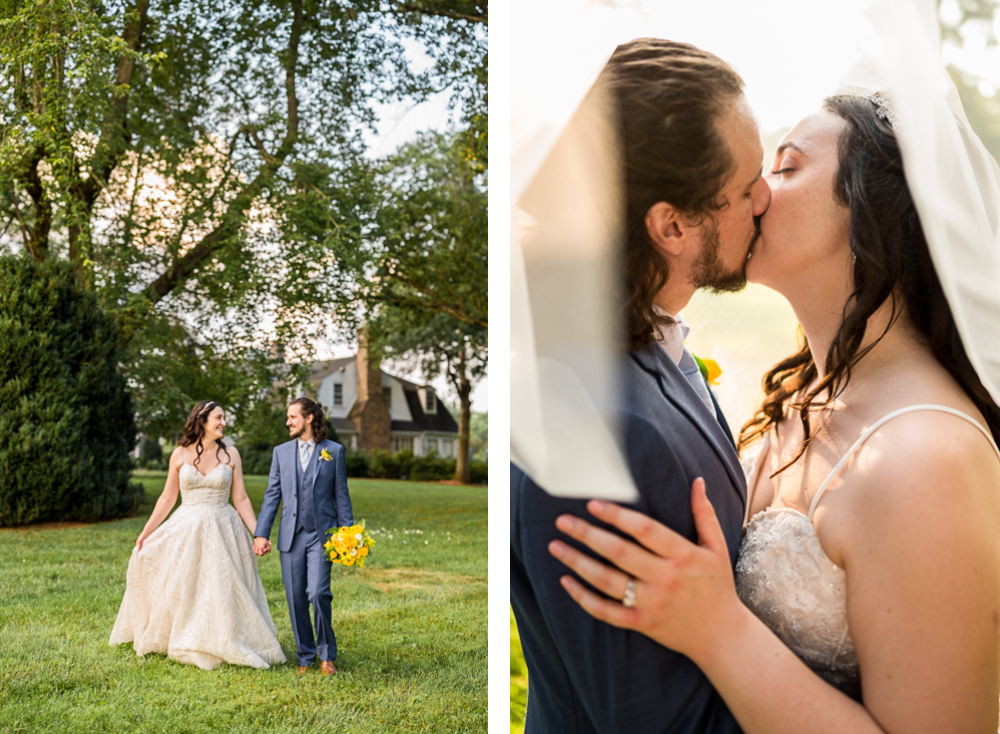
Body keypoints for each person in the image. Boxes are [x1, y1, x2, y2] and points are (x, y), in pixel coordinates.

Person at [549, 94, 1000, 732]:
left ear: (874, 211)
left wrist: (720, 631)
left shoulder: (929, 458)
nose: (753, 192)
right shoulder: (800, 398)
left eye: (785, 168)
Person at [510, 38, 771, 733]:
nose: (766, 198)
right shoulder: (592, 432)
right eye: (747, 188)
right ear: (672, 226)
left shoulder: (658, 346)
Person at [109, 401, 286, 670]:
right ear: (202, 421)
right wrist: (146, 532)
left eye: (224, 417)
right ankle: (185, 632)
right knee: (186, 583)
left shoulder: (231, 455)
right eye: (218, 417)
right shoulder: (179, 454)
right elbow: (168, 498)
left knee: (221, 584)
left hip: (223, 528)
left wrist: (259, 533)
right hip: (186, 527)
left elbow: (241, 499)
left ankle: (225, 635)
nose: (223, 422)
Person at [253, 397, 353, 676]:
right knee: (296, 598)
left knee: (318, 593)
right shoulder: (281, 453)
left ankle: (327, 656)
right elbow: (272, 495)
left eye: (293, 417)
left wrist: (347, 535)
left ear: (309, 418)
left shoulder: (333, 451)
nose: (288, 421)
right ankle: (305, 656)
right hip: (291, 536)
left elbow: (341, 497)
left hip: (322, 536)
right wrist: (261, 533)